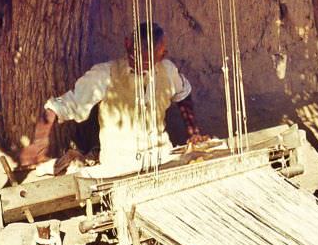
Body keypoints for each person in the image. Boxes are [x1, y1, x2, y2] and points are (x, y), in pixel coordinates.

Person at [18, 22, 209, 173]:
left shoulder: (168, 70)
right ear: (127, 44)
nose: (142, 64)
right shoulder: (104, 75)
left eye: (149, 60)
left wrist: (193, 132)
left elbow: (183, 94)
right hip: (119, 167)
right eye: (136, 56)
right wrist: (39, 141)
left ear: (162, 54)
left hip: (163, 158)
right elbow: (62, 106)